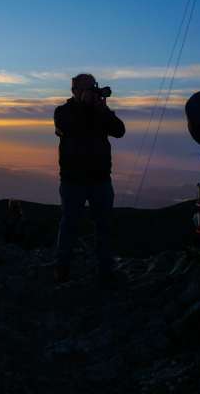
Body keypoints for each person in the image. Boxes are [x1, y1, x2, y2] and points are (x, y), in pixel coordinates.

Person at [53, 74, 125, 285]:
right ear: (74, 91)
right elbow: (70, 128)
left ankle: (105, 271)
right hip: (73, 180)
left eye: (93, 88)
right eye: (86, 89)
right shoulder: (63, 112)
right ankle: (62, 269)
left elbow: (119, 131)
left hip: (100, 179)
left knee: (104, 226)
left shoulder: (100, 111)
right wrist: (87, 108)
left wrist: (103, 111)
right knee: (69, 225)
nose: (91, 92)